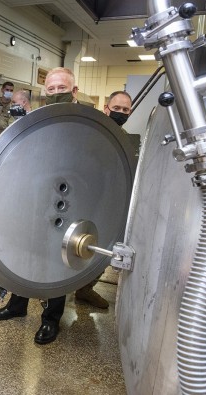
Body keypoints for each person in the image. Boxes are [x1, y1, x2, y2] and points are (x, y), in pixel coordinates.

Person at [0, 67, 80, 345]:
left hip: (69, 200)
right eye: (50, 89)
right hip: (35, 201)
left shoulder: (85, 122)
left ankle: (51, 319)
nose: (55, 93)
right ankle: (18, 304)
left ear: (73, 91)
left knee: (58, 261)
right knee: (27, 252)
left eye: (61, 88)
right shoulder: (38, 119)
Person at [73, 90, 135, 308]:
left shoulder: (124, 139)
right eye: (116, 108)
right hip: (82, 200)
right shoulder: (89, 132)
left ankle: (85, 288)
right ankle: (58, 289)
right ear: (106, 108)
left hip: (108, 203)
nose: (120, 113)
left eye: (125, 110)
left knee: (102, 246)